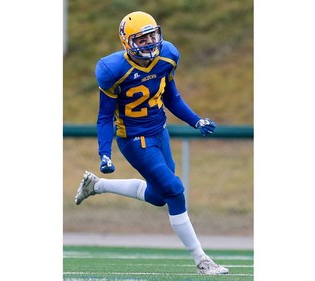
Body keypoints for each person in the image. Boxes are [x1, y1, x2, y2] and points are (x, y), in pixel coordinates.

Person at [75, 11, 229, 275]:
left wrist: (195, 121)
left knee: (159, 197)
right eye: (142, 39)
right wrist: (104, 152)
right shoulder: (113, 70)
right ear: (127, 42)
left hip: (160, 132)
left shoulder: (167, 56)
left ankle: (97, 186)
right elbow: (103, 117)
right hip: (135, 139)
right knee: (174, 189)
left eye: (152, 35)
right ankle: (202, 260)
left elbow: (172, 98)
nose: (150, 42)